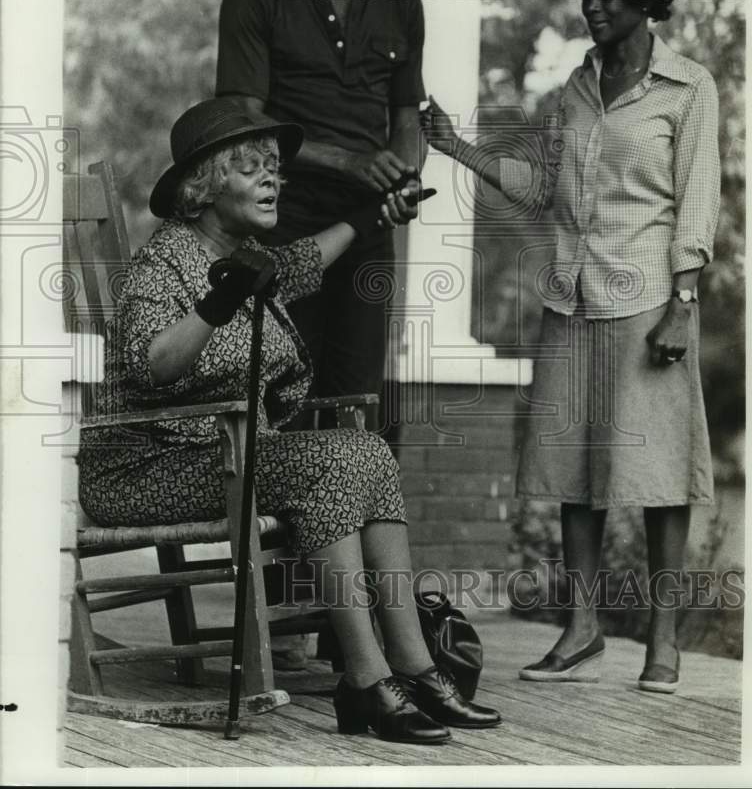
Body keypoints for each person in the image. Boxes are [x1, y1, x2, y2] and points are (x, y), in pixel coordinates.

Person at [77, 97, 499, 742]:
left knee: (368, 451)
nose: (273, 179)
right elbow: (150, 365)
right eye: (252, 168)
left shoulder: (252, 256)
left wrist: (372, 215)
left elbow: (306, 258)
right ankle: (365, 680)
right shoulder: (163, 263)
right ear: (204, 186)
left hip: (225, 455)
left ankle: (414, 667)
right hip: (147, 467)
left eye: (274, 167)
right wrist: (221, 299)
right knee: (331, 463)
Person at [421, 0, 721, 694]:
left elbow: (697, 202)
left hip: (650, 302)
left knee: (658, 475)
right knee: (571, 470)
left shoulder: (689, 87)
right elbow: (544, 189)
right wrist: (458, 147)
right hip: (572, 298)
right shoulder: (575, 90)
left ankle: (662, 641)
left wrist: (684, 301)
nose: (592, 3)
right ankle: (582, 627)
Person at [215, 0, 426, 407]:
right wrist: (348, 161)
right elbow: (241, 122)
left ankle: (349, 473)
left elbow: (407, 117)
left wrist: (405, 180)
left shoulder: (402, 3)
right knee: (279, 398)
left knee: (355, 402)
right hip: (280, 227)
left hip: (366, 230)